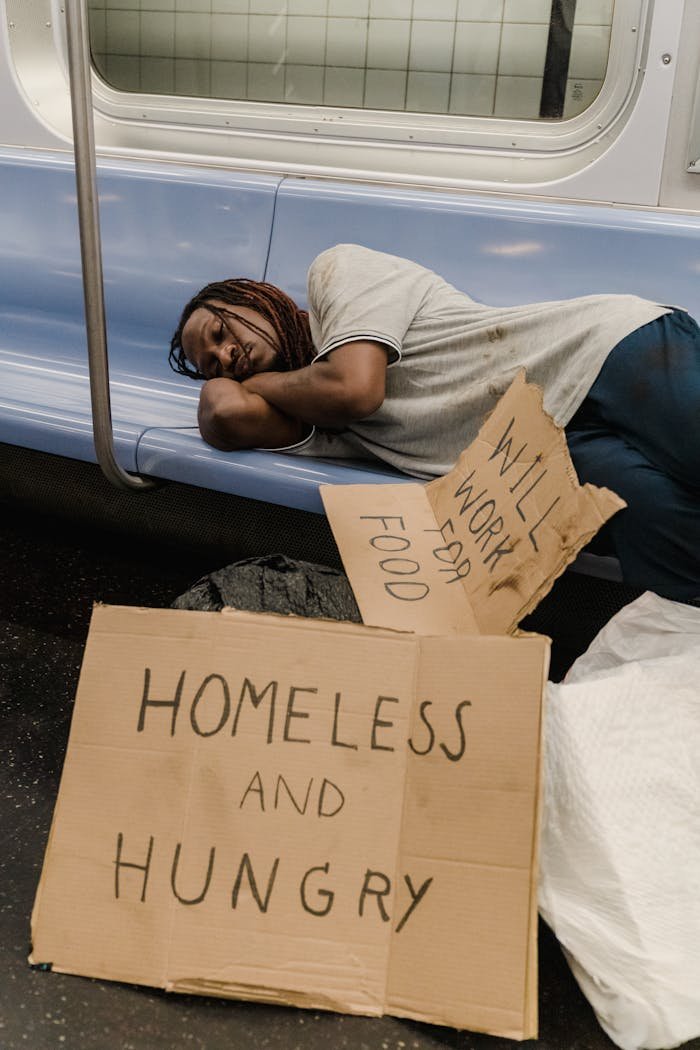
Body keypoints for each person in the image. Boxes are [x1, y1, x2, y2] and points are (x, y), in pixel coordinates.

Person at [169, 243, 700, 604]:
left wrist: (256, 383)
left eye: (220, 330)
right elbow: (224, 412)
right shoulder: (307, 407)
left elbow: (356, 390)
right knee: (675, 578)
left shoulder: (338, 274)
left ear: (253, 297)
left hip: (599, 353)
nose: (226, 355)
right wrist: (238, 388)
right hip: (552, 448)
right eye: (211, 364)